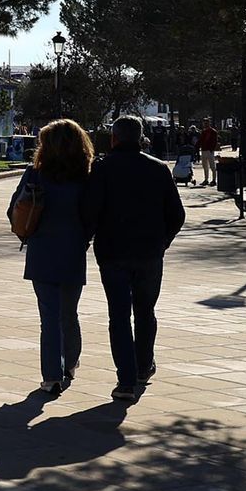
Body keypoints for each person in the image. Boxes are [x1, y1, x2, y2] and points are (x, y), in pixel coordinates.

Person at [83, 115, 187, 403]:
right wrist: (162, 242)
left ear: (114, 138)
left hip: (113, 253)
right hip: (149, 254)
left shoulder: (101, 169)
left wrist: (85, 241)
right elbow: (177, 215)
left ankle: (125, 380)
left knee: (119, 315)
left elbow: (90, 213)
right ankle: (143, 366)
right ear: (141, 139)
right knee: (145, 311)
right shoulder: (158, 169)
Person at [8, 119, 95, 395]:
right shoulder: (87, 177)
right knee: (69, 313)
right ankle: (69, 363)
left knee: (49, 316)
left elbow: (14, 210)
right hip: (72, 250)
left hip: (42, 251)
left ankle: (51, 375)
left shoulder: (35, 175)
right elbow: (94, 215)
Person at [196, 118, 220, 187]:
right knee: (205, 166)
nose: (205, 124)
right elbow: (201, 140)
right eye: (204, 123)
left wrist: (212, 149)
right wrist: (197, 146)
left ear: (209, 123)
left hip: (209, 151)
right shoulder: (203, 132)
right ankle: (206, 179)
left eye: (206, 123)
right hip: (204, 150)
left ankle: (214, 180)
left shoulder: (213, 132)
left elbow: (215, 141)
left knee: (212, 166)